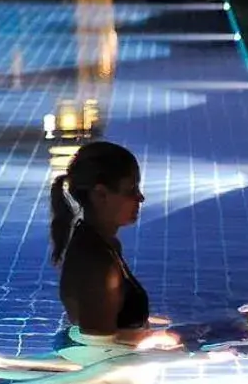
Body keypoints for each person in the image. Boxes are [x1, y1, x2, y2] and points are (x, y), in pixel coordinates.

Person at [51, 141, 180, 348]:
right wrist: (165, 340)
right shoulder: (97, 262)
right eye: (131, 189)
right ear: (101, 194)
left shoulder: (104, 246)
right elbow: (98, 347)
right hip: (105, 373)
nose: (141, 197)